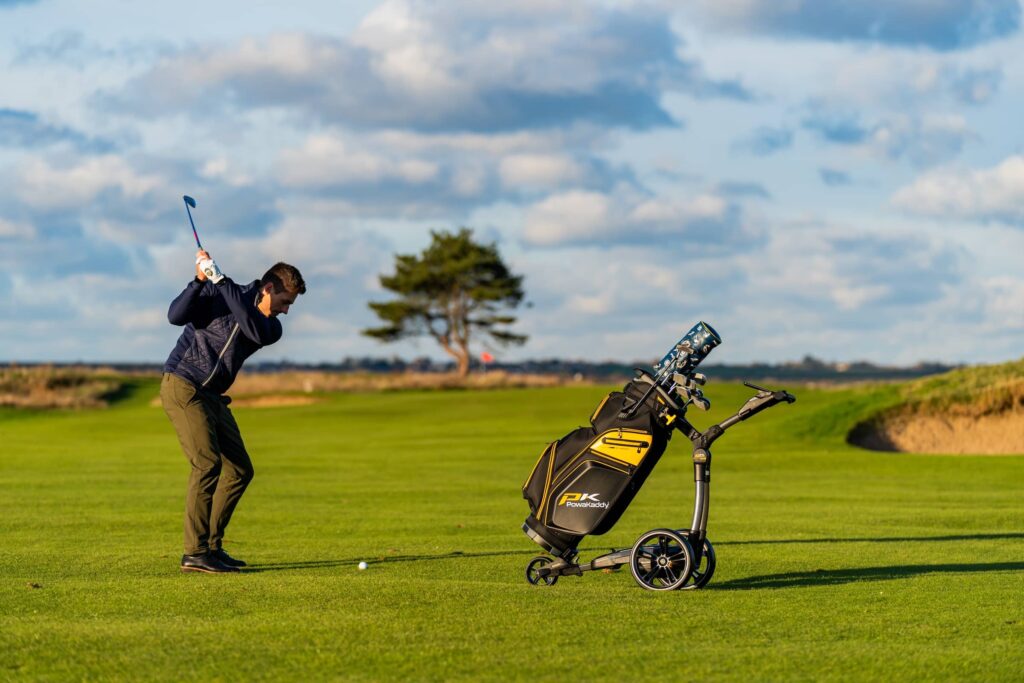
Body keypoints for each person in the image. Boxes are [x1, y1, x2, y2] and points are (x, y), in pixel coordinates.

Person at [160, 249, 305, 573]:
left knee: (240, 469)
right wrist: (199, 281)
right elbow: (175, 315)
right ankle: (194, 552)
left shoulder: (269, 327)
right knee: (207, 464)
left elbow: (250, 327)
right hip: (183, 384)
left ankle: (211, 546)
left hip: (212, 395)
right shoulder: (216, 291)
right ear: (268, 289)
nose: (286, 311)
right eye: (285, 302)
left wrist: (221, 281)